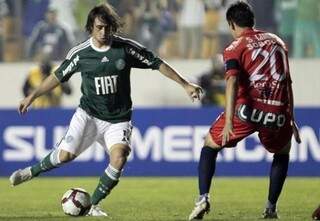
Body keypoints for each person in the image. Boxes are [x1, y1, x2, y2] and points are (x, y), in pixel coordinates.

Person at [9, 3, 202, 217]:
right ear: (90, 27)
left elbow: (157, 63)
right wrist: (32, 96)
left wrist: (185, 84)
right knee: (64, 156)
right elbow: (57, 76)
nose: (103, 32)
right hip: (88, 115)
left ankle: (92, 205)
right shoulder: (81, 53)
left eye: (108, 27)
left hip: (118, 119)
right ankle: (29, 172)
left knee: (119, 157)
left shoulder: (125, 48)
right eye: (99, 27)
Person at [188, 1, 301, 220]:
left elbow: (231, 82)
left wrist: (229, 120)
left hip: (247, 110)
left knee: (210, 145)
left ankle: (202, 198)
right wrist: (290, 117)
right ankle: (270, 208)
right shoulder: (277, 41)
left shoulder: (234, 47)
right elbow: (287, 81)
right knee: (282, 151)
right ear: (252, 21)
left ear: (231, 24)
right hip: (278, 110)